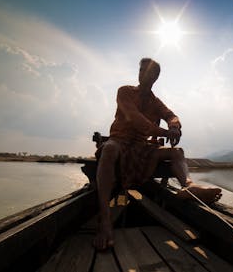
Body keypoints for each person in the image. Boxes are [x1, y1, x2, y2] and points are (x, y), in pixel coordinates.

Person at [93, 58, 222, 250]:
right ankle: (105, 221)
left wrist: (174, 126)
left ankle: (188, 186)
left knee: (177, 151)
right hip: (120, 141)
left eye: (149, 72)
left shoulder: (156, 102)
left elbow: (172, 115)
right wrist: (164, 132)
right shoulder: (125, 91)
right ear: (139, 73)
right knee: (109, 149)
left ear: (155, 78)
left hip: (143, 146)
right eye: (142, 70)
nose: (144, 74)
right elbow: (135, 119)